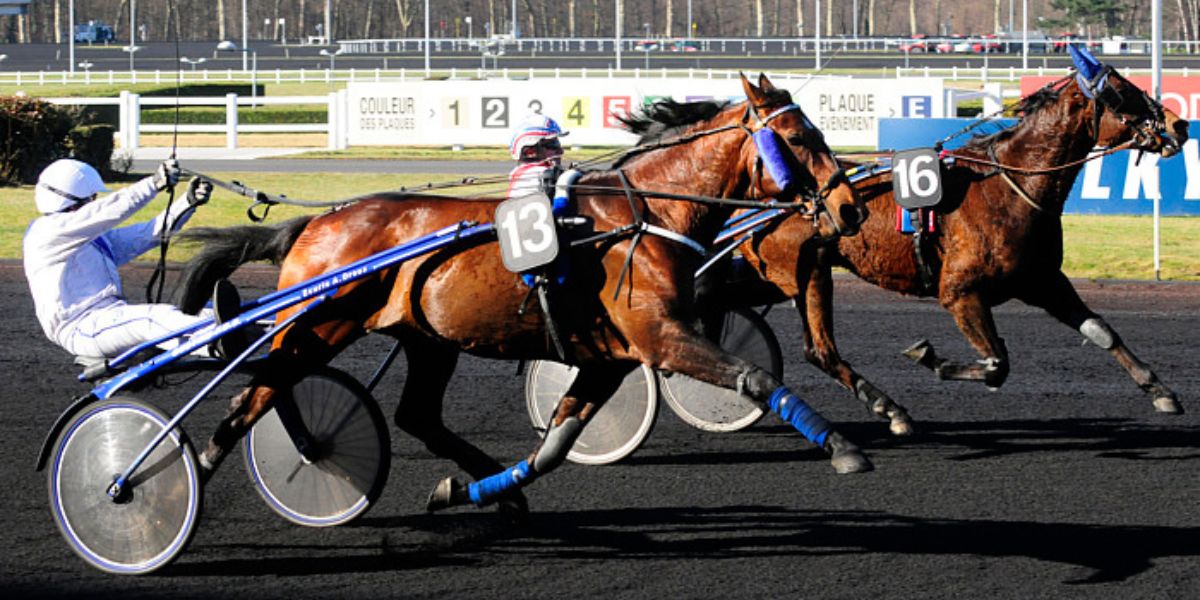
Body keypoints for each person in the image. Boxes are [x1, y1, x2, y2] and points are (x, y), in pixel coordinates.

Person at [23, 158, 243, 361]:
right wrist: (154, 184)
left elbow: (147, 235)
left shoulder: (93, 239)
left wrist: (186, 203)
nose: (95, 202)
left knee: (204, 311)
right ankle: (215, 341)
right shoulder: (46, 233)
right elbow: (107, 211)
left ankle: (258, 328)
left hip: (110, 317)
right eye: (91, 199)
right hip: (80, 327)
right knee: (152, 319)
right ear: (69, 200)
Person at [507, 114, 567, 201]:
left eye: (558, 144)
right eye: (553, 145)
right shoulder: (534, 176)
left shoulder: (520, 173)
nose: (561, 151)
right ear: (530, 152)